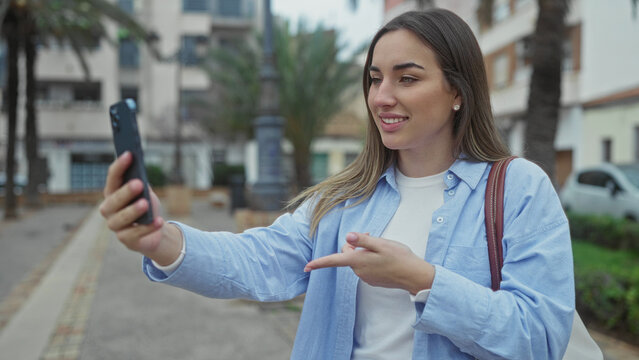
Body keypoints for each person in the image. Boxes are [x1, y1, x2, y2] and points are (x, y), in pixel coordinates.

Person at [100, 9, 574, 360]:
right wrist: (161, 238)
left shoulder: (519, 189)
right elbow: (256, 260)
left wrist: (421, 280)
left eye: (407, 78)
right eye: (374, 79)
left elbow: (541, 337)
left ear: (457, 91)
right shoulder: (346, 197)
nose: (382, 97)